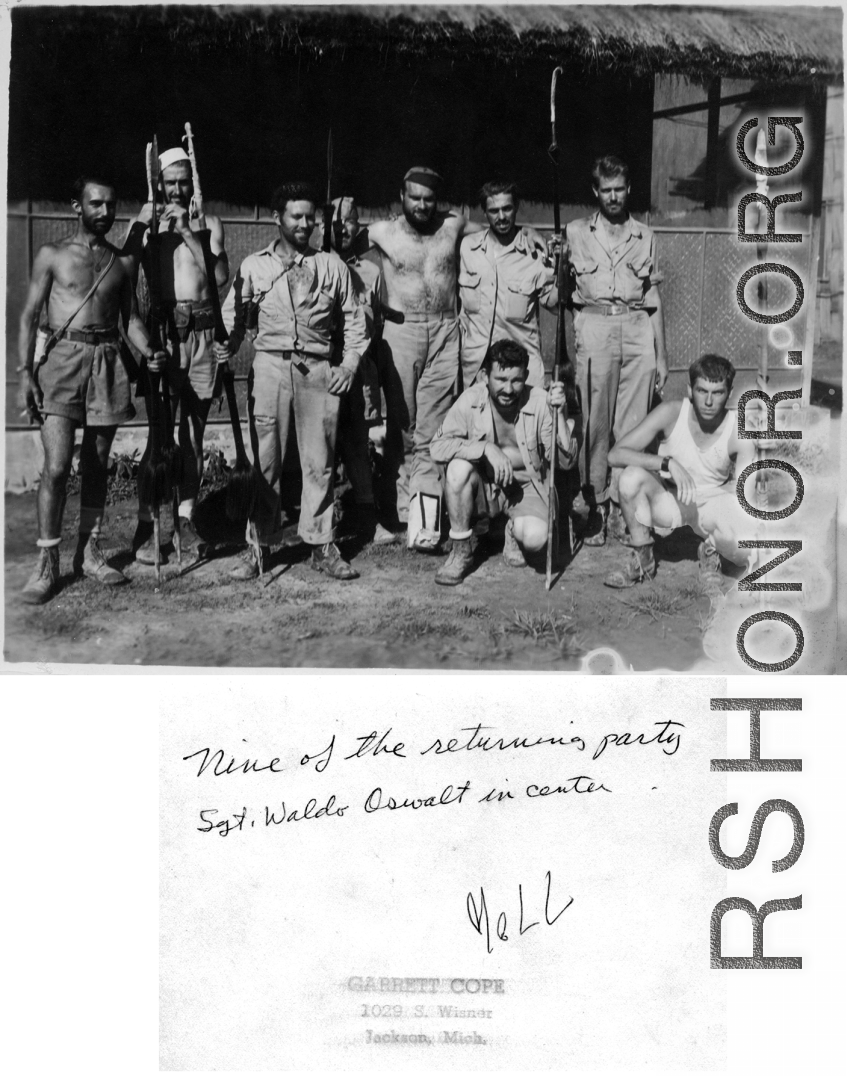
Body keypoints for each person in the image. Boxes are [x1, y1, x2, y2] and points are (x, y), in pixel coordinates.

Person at [367, 167, 547, 553]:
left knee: (434, 426)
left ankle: (432, 516)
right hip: (401, 332)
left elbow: (500, 226)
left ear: (439, 200)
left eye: (428, 198)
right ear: (401, 195)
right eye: (414, 196)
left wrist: (531, 229)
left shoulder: (454, 226)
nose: (421, 204)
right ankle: (404, 511)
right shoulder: (381, 231)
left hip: (446, 332)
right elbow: (341, 244)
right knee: (401, 423)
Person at [17, 173, 167, 604]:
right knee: (58, 466)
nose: (104, 212)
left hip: (108, 363)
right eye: (95, 204)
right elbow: (29, 316)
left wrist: (149, 351)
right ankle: (47, 562)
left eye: (110, 204)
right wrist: (24, 373)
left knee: (97, 463)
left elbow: (131, 320)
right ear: (76, 206)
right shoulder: (53, 255)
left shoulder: (123, 262)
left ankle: (89, 551)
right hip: (62, 362)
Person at [217, 181, 368, 580]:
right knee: (265, 460)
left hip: (318, 371)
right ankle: (258, 546)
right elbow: (232, 320)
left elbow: (356, 323)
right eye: (295, 216)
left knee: (320, 462)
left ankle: (322, 545)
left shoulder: (333, 267)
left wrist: (348, 367)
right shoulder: (253, 266)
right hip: (269, 369)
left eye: (310, 217)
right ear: (277, 218)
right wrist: (226, 346)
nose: (305, 224)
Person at [126, 145, 229, 564]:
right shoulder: (146, 226)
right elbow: (125, 279)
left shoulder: (209, 223)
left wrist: (188, 232)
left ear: (193, 182)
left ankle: (186, 516)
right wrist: (142, 341)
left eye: (183, 181)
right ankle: (147, 524)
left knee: (193, 435)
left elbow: (219, 278)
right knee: (158, 437)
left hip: (202, 333)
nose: (177, 190)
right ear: (158, 184)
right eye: (169, 182)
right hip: (165, 337)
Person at [565, 155, 668, 546]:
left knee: (632, 425)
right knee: (595, 425)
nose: (613, 196)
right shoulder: (575, 232)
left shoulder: (645, 235)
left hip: (638, 328)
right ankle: (595, 507)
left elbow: (653, 295)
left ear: (628, 189)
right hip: (595, 326)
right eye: (605, 190)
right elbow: (560, 286)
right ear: (596, 191)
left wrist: (662, 355)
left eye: (619, 189)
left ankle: (627, 507)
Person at [430, 339, 576, 586]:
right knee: (457, 469)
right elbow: (437, 446)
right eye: (501, 380)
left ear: (526, 376)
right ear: (486, 376)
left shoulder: (541, 401)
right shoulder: (471, 399)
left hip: (528, 489)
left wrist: (560, 415)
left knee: (536, 537)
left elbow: (565, 462)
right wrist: (485, 448)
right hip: (488, 487)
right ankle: (461, 552)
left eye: (516, 380)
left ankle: (511, 531)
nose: (508, 389)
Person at [604, 353, 752, 593]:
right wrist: (666, 463)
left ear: (730, 393)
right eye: (702, 391)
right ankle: (643, 557)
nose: (708, 401)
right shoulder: (672, 413)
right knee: (630, 477)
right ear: (689, 389)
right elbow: (615, 454)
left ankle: (710, 551)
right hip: (670, 501)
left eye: (717, 393)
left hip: (710, 508)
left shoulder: (738, 430)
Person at [326, 195, 396, 544]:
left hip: (357, 369)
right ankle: (323, 521)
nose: (341, 227)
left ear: (359, 225)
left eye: (349, 221)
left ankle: (368, 518)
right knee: (320, 446)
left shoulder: (370, 272)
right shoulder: (315, 264)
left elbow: (378, 325)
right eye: (335, 221)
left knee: (357, 442)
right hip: (322, 370)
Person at [458, 180, 558, 391]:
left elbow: (554, 304)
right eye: (494, 210)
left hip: (521, 371)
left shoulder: (535, 252)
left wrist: (563, 269)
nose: (501, 217)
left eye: (507, 208)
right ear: (484, 212)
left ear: (516, 207)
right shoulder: (467, 248)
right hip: (477, 369)